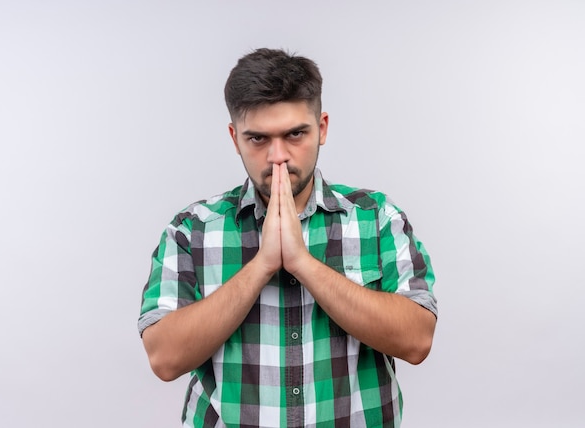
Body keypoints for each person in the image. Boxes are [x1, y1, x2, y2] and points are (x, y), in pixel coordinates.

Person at [138, 48, 437, 427]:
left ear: (322, 128)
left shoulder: (376, 217)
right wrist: (262, 265)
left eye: (295, 133)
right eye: (258, 139)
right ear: (235, 138)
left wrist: (302, 263)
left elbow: (416, 340)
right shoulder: (192, 229)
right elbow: (164, 358)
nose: (278, 156)